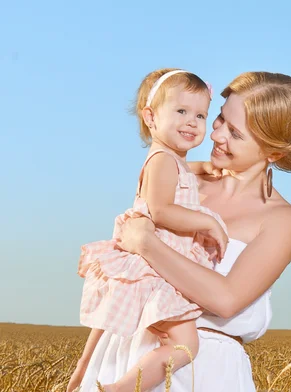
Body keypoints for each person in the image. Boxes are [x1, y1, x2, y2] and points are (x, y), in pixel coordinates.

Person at [75, 71, 291, 391]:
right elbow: (126, 275)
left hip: (205, 369)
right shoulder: (180, 175)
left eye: (235, 132)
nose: (216, 135)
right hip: (122, 354)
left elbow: (227, 299)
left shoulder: (282, 220)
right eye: (219, 119)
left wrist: (146, 242)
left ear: (274, 153)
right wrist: (86, 363)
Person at [68, 68, 229, 392]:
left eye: (200, 115)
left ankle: (88, 371)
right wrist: (208, 222)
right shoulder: (162, 162)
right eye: (181, 111)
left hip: (158, 261)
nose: (192, 122)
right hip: (156, 267)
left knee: (111, 328)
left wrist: (202, 167)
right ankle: (124, 387)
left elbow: (180, 174)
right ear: (151, 118)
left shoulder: (172, 161)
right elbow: (161, 210)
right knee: (186, 345)